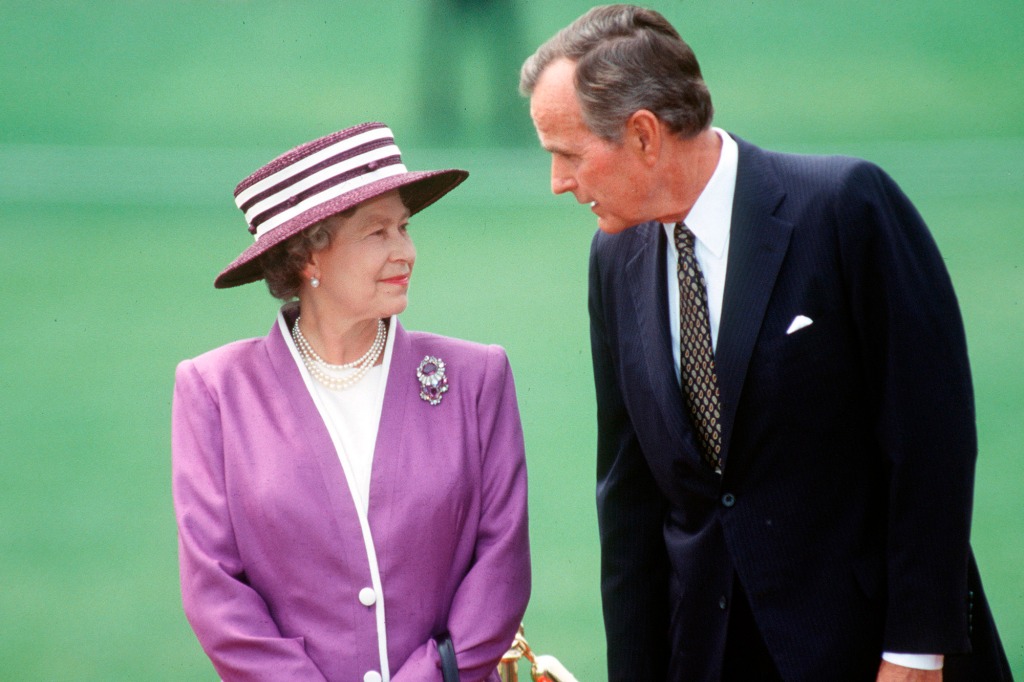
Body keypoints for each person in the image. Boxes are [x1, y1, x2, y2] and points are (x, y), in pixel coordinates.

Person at [520, 6, 1011, 682]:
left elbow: (931, 443)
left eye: (568, 154)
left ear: (642, 135)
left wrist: (915, 651)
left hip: (871, 656)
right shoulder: (613, 261)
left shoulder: (845, 210)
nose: (559, 182)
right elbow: (630, 503)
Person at [171, 121, 530, 682]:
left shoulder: (477, 377)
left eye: (405, 228)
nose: (405, 251)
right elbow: (214, 591)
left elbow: (501, 566)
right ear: (308, 258)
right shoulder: (214, 390)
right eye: (377, 233)